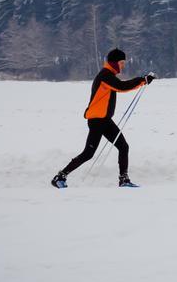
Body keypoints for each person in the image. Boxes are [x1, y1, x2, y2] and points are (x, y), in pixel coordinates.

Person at [52, 48, 155, 188]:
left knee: (123, 147)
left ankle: (123, 180)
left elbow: (120, 86)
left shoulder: (109, 75)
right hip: (96, 121)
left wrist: (142, 81)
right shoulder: (105, 76)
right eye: (122, 62)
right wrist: (142, 80)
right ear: (114, 62)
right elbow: (122, 86)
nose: (123, 65)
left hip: (104, 120)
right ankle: (60, 177)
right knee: (88, 153)